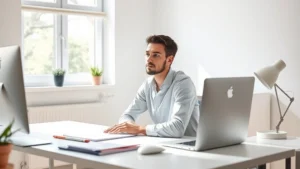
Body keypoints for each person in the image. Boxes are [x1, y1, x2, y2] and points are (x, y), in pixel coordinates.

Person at [104, 35, 199, 137]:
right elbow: (128, 115)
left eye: (156, 55)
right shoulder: (148, 85)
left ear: (169, 60)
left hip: (188, 146)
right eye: (147, 54)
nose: (148, 60)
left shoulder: (183, 83)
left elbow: (178, 128)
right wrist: (129, 126)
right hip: (162, 142)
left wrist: (140, 129)